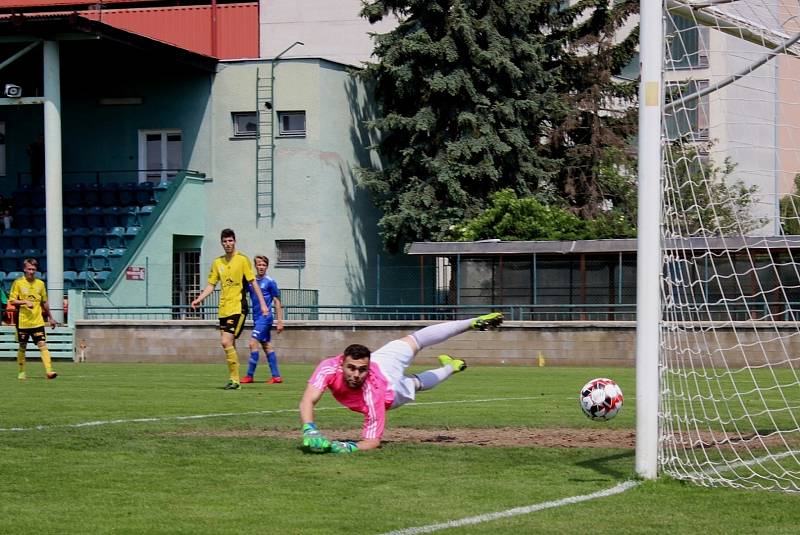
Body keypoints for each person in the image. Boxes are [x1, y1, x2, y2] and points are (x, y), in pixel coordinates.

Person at [299, 312, 504, 454]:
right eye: (351, 368)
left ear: (367, 367)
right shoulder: (328, 367)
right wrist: (310, 428)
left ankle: (469, 328)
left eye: (361, 370)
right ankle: (451, 366)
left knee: (415, 354)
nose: (355, 375)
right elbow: (308, 399)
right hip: (385, 374)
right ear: (341, 362)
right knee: (415, 364)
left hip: (388, 388)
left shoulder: (373, 395)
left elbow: (371, 441)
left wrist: (343, 447)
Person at [190, 229, 268, 390]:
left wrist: (263, 304)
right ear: (222, 243)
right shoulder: (217, 263)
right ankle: (235, 381)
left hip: (238, 307)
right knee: (230, 343)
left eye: (230, 241)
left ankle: (235, 380)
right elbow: (211, 285)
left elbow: (253, 283)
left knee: (225, 341)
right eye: (225, 241)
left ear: (235, 241)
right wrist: (199, 299)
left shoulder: (242, 260)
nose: (228, 244)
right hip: (224, 309)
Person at [10, 258, 58, 380]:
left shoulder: (40, 284)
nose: (31, 271)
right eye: (29, 269)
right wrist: (25, 302)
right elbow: (12, 301)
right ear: (24, 269)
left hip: (37, 321)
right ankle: (21, 372)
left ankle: (49, 371)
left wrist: (51, 318)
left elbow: (44, 302)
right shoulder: (18, 283)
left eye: (33, 269)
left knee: (42, 344)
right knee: (22, 346)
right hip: (23, 322)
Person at [241, 255, 284, 384]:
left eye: (264, 265)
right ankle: (276, 376)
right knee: (266, 346)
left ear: (267, 267)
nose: (261, 267)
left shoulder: (270, 282)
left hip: (265, 318)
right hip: (256, 317)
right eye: (259, 265)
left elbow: (277, 301)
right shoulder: (252, 281)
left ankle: (249, 375)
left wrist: (280, 321)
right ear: (255, 266)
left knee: (252, 343)